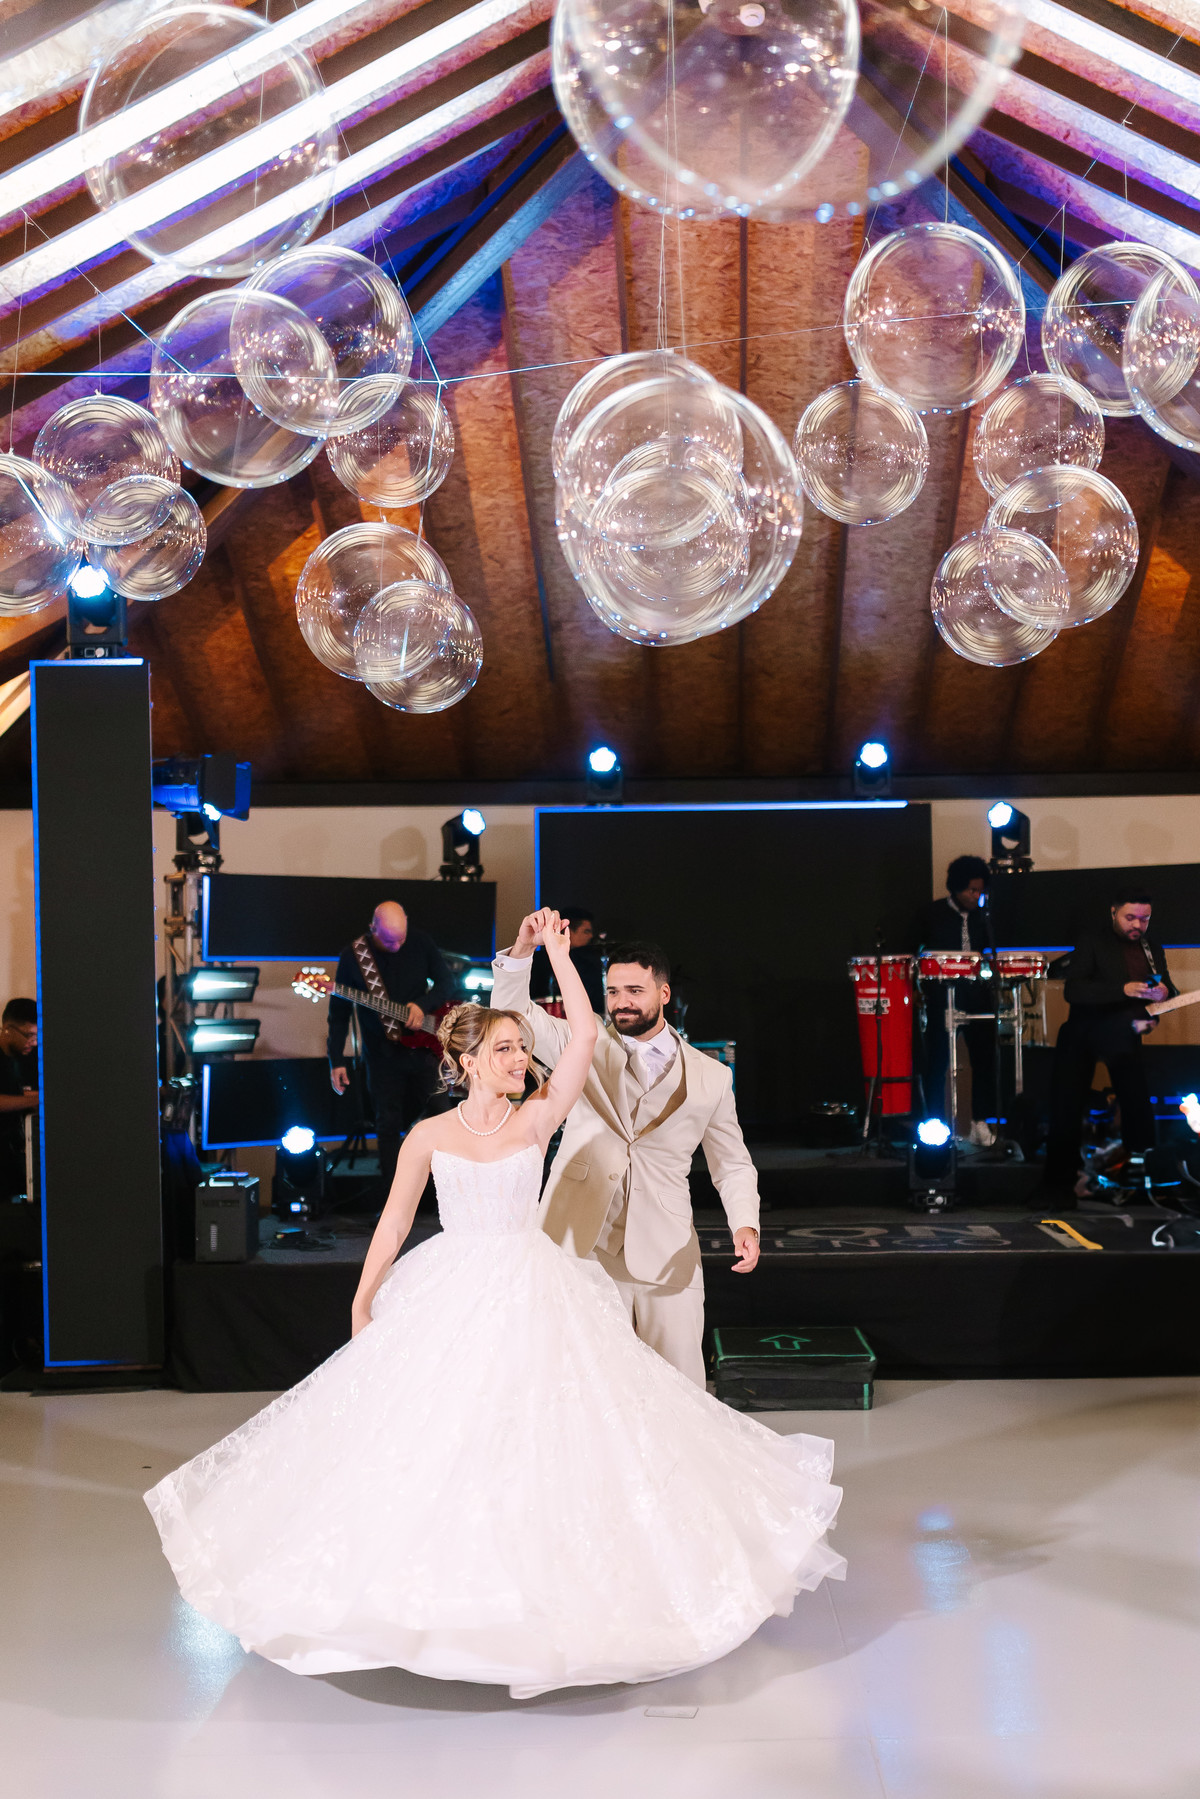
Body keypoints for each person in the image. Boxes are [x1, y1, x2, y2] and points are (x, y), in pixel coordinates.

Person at [145, 910, 844, 1696]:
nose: (521, 1057)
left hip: (538, 1282)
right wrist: (363, 1296)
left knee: (577, 1432)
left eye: (521, 1046)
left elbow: (579, 1036)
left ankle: (617, 1569)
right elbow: (396, 1221)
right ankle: (447, 1596)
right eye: (506, 1049)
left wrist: (556, 955)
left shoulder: (537, 1119)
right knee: (445, 1439)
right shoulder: (427, 1136)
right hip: (452, 1290)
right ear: (467, 1061)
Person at [491, 920, 760, 1387]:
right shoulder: (584, 1043)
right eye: (613, 991)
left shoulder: (711, 1077)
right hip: (579, 1242)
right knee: (580, 1385)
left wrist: (745, 1222)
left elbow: (732, 1162)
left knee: (680, 1388)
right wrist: (522, 949)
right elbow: (511, 1015)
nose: (621, 1001)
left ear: (664, 993)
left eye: (634, 990)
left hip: (667, 1250)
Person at [1044, 886, 1176, 1197]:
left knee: (1138, 1109)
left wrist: (1165, 994)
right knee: (1067, 1109)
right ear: (1114, 912)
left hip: (1126, 1032)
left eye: (1144, 919)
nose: (1137, 925)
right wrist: (1124, 989)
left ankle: (1140, 1182)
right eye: (1131, 917)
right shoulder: (1092, 940)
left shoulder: (1151, 946)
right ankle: (1060, 1184)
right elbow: (1074, 992)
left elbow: (1166, 985)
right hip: (1084, 1033)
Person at [327, 902, 454, 1190]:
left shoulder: (421, 942)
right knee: (387, 1123)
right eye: (388, 940)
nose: (396, 945)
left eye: (401, 938)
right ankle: (392, 1197)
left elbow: (447, 983)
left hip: (424, 1048)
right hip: (382, 1055)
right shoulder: (354, 955)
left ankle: (447, 1192)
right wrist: (336, 1058)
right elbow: (339, 1014)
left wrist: (421, 1006)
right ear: (373, 928)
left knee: (442, 1113)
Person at [920, 855, 998, 1145]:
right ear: (955, 888)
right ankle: (935, 1126)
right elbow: (914, 954)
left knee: (985, 1060)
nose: (976, 897)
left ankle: (981, 1122)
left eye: (980, 891)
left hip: (978, 996)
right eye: (971, 891)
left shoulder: (985, 917)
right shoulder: (931, 914)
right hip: (942, 997)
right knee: (937, 1062)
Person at [529, 905, 605, 1013]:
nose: (591, 936)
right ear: (568, 931)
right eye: (586, 931)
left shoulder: (592, 961)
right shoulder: (539, 961)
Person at [0, 999, 38, 1202]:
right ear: (7, 1029)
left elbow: (22, 1093)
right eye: (29, 1035)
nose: (33, 1042)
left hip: (14, 1155)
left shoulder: (26, 1058)